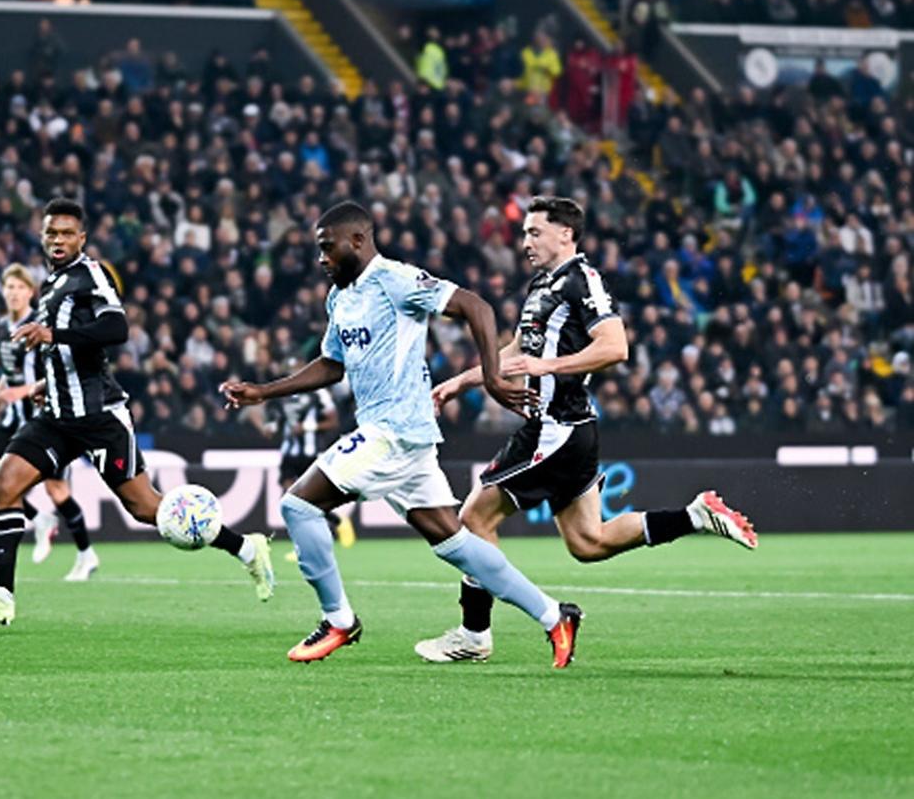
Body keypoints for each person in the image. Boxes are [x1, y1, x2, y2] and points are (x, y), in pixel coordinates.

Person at [220, 201, 583, 667]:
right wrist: (264, 392)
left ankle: (338, 621)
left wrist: (493, 377)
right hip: (403, 438)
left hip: (393, 430)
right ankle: (555, 617)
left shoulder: (394, 279)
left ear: (358, 240)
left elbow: (476, 306)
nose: (321, 259)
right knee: (457, 545)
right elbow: (333, 365)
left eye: (327, 248)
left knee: (298, 505)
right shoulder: (341, 297)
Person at [414, 197, 758, 663]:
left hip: (555, 428)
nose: (526, 241)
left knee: (474, 519)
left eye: (536, 232)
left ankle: (474, 635)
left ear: (566, 235)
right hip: (567, 430)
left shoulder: (582, 279)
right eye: (525, 232)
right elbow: (517, 353)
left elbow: (616, 346)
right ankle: (695, 516)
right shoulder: (543, 285)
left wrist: (547, 365)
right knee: (588, 542)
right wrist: (459, 382)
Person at [0, 199, 274, 626]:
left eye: (67, 233)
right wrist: (49, 383)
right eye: (51, 233)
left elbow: (115, 329)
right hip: (57, 418)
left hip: (101, 416)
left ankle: (247, 549)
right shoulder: (51, 285)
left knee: (147, 510)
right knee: (3, 482)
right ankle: (1, 596)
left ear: (81, 238)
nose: (58, 240)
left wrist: (53, 333)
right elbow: (67, 352)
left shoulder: (92, 274)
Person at [0, 263, 99, 582]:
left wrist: (13, 394)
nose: (13, 293)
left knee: (58, 490)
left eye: (20, 287)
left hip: (42, 416)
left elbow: (47, 376)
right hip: (12, 416)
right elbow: (10, 372)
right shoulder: (1, 326)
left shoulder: (40, 325)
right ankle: (40, 521)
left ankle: (86, 554)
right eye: (9, 288)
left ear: (30, 292)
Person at [258, 357, 355, 557]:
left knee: (309, 501)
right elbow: (276, 420)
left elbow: (333, 420)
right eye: (289, 368)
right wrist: (271, 427)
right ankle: (303, 544)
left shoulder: (318, 393)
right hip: (289, 452)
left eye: (295, 368)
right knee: (288, 499)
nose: (292, 372)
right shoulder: (283, 395)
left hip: (311, 452)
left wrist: (308, 427)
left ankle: (333, 526)